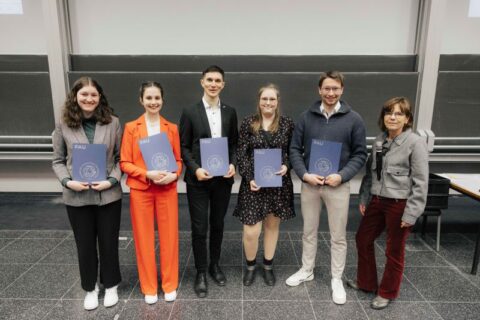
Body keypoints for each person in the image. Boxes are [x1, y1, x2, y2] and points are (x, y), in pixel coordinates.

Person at [286, 71, 367, 305]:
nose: (331, 93)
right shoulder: (306, 117)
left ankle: (336, 278)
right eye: (326, 88)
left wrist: (341, 176)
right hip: (310, 185)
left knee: (338, 236)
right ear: (319, 90)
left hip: (337, 186)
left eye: (335, 88)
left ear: (342, 90)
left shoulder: (354, 119)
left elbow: (360, 154)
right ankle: (307, 269)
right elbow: (294, 150)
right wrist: (304, 175)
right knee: (308, 231)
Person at [348, 97, 428, 309]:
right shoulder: (379, 140)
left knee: (394, 249)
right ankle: (366, 283)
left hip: (399, 204)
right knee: (363, 238)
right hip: (376, 199)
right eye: (389, 113)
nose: (393, 117)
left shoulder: (415, 143)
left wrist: (411, 213)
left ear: (407, 118)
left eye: (399, 113)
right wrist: (365, 197)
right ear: (383, 117)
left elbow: (421, 182)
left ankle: (387, 292)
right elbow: (370, 173)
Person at [52, 77, 122, 311]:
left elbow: (122, 158)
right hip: (77, 196)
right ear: (75, 97)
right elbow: (58, 160)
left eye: (93, 95)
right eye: (84, 95)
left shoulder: (113, 123)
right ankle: (90, 288)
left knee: (109, 242)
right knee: (84, 244)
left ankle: (111, 285)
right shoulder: (63, 124)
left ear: (99, 97)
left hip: (108, 195)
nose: (89, 99)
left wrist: (111, 180)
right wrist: (67, 182)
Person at [120, 81, 182, 304]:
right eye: (149, 98)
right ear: (141, 100)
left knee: (169, 238)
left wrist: (174, 175)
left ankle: (169, 284)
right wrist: (147, 173)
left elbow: (177, 160)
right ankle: (148, 287)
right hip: (141, 190)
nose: (153, 102)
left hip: (166, 189)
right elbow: (124, 162)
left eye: (157, 98)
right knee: (143, 239)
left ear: (162, 100)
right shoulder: (130, 128)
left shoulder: (171, 128)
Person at [179, 65, 238, 298]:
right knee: (199, 227)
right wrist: (195, 169)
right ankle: (201, 271)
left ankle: (215, 265)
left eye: (218, 81)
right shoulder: (190, 111)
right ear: (202, 82)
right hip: (199, 180)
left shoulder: (230, 112)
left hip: (223, 180)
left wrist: (233, 164)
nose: (214, 84)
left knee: (218, 224)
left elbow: (234, 143)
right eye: (210, 80)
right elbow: (183, 146)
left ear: (223, 84)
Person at [233, 84, 295, 286]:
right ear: (259, 101)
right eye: (264, 99)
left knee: (272, 225)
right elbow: (241, 153)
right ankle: (251, 266)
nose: (268, 103)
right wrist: (250, 177)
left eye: (272, 99)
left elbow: (292, 151)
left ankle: (268, 265)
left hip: (278, 185)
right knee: (251, 230)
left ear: (278, 102)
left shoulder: (287, 124)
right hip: (254, 184)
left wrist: (287, 166)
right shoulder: (248, 123)